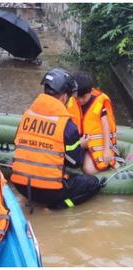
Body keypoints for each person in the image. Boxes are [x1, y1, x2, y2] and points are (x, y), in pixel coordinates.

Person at [10, 68, 105, 211]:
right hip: (49, 191)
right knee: (92, 184)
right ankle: (57, 207)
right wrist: (81, 146)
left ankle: (31, 199)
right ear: (63, 97)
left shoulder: (27, 116)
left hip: (21, 185)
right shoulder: (66, 125)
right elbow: (74, 162)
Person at [67, 72, 118, 175]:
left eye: (83, 97)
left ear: (90, 91)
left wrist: (107, 149)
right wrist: (79, 144)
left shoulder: (99, 103)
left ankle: (115, 162)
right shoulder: (71, 101)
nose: (80, 100)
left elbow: (105, 126)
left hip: (96, 143)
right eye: (77, 97)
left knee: (88, 170)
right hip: (80, 143)